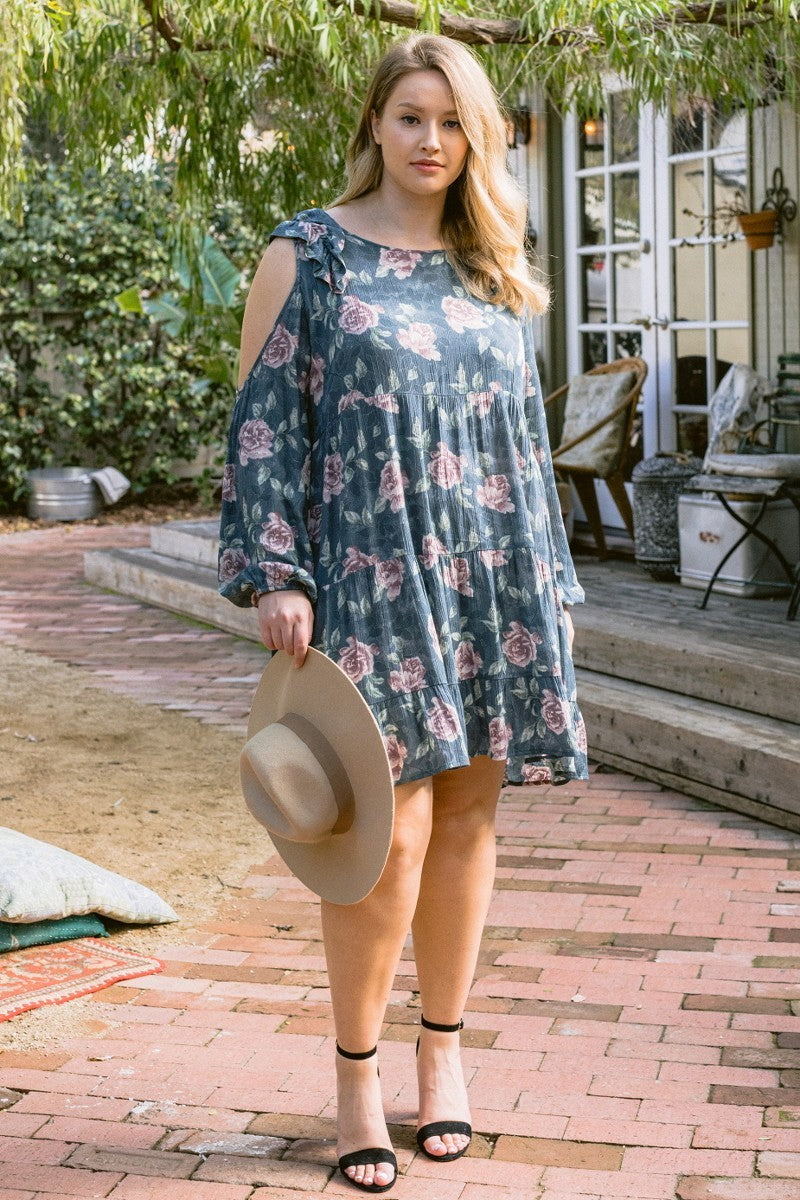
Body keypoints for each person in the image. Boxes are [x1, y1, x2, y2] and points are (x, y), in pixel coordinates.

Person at [219, 32, 587, 1194]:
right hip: (371, 581)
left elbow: (519, 442)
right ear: (374, 124)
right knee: (385, 845)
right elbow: (263, 424)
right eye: (410, 117)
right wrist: (276, 571)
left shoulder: (491, 261)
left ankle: (443, 1057)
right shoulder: (309, 255)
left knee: (470, 824)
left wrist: (549, 583)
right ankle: (355, 1077)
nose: (431, 140)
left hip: (490, 580)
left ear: (476, 138)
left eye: (452, 122)